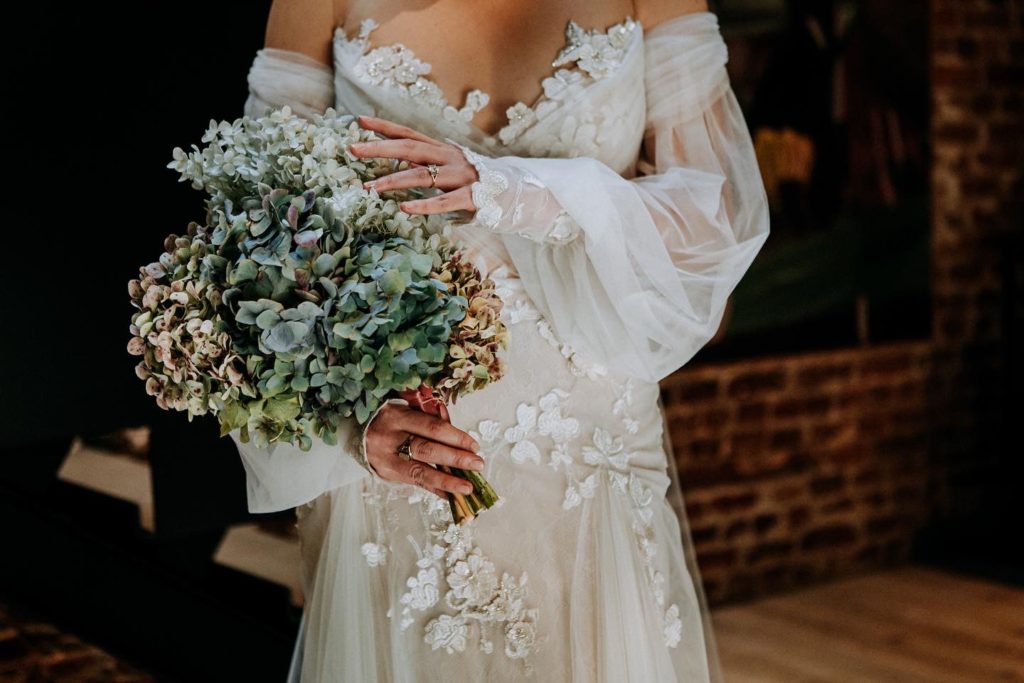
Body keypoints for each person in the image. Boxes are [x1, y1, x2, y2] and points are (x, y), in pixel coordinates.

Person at [232, 0, 770, 679]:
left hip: (590, 465)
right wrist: (344, 424)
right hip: (405, 468)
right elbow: (254, 243)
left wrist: (512, 191)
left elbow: (712, 225)